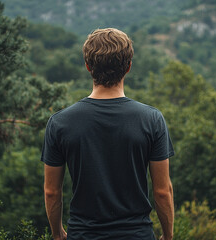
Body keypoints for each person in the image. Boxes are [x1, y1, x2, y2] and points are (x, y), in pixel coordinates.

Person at [41, 28, 174, 240]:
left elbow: (52, 192)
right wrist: (168, 236)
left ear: (88, 67)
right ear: (128, 67)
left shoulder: (60, 123)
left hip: (83, 234)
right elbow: (162, 191)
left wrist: (57, 234)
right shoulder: (152, 119)